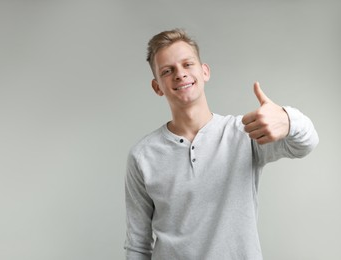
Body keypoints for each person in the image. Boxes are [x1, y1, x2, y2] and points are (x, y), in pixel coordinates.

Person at [124, 28, 318, 260]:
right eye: (168, 71)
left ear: (204, 72)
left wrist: (288, 119)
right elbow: (137, 245)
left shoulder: (244, 133)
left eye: (187, 64)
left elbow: (305, 144)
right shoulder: (142, 155)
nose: (180, 74)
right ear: (157, 87)